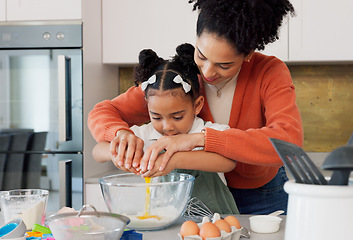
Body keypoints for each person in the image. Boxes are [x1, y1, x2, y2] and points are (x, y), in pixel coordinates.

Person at [88, 0, 302, 215]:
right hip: (196, 196)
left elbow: (288, 140)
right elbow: (103, 112)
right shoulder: (183, 75)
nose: (207, 72)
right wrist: (121, 134)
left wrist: (200, 139)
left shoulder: (268, 72)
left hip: (261, 194)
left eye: (224, 65)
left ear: (248, 54)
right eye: (201, 55)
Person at [92, 43, 239, 214]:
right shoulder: (146, 134)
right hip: (164, 222)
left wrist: (174, 160)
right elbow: (97, 152)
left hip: (216, 228)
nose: (167, 126)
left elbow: (229, 161)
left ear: (197, 106)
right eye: (156, 117)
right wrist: (119, 152)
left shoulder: (209, 132)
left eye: (177, 117)